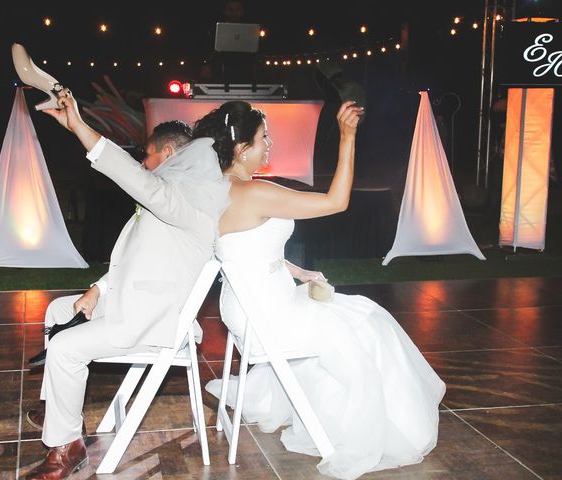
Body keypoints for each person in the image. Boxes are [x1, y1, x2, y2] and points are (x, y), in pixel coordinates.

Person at [192, 100, 446, 479]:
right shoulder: (256, 193)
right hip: (268, 314)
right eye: (264, 139)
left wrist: (297, 271)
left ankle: (327, 407)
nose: (269, 145)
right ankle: (379, 427)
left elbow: (240, 250)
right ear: (242, 149)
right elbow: (336, 202)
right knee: (368, 319)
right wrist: (347, 137)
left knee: (350, 312)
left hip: (246, 307)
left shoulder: (214, 192)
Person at [24, 91, 229, 480]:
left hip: (153, 319)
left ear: (169, 154)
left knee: (66, 348)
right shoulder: (173, 196)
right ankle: (61, 416)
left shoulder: (182, 201)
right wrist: (97, 289)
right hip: (133, 300)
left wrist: (80, 128)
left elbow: (131, 177)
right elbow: (134, 260)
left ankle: (67, 449)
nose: (142, 164)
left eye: (147, 156)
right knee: (57, 312)